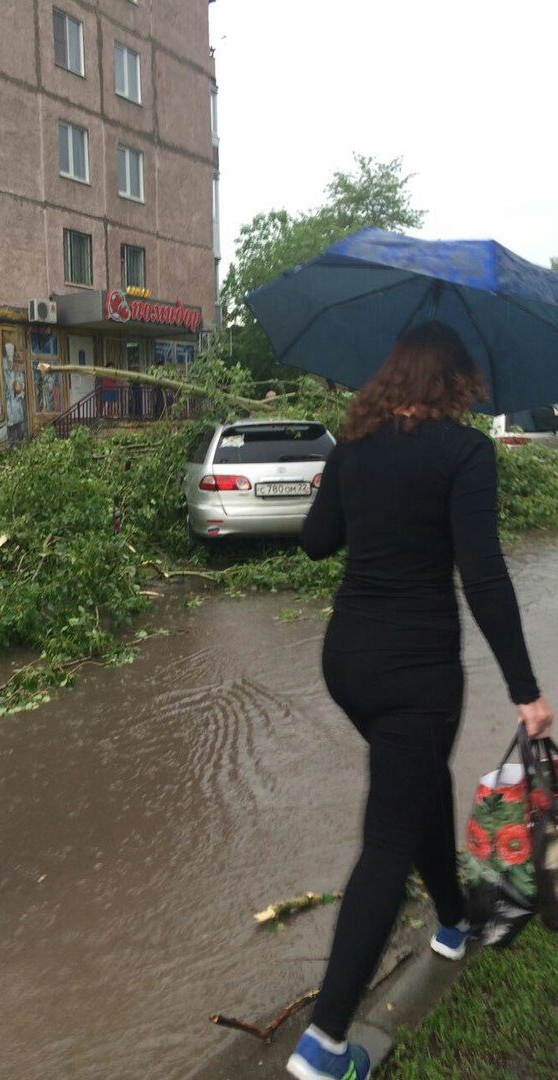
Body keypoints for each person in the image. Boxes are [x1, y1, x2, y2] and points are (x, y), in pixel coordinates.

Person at [286, 321, 553, 1080]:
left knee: (418, 783)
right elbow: (486, 577)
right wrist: (526, 692)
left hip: (347, 663)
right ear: (459, 382)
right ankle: (325, 1044)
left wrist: (336, 483)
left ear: (393, 374)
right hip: (417, 674)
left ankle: (450, 921)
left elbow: (315, 542)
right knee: (387, 839)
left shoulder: (354, 446)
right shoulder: (466, 453)